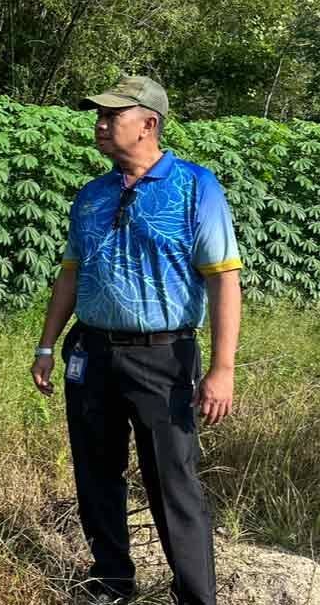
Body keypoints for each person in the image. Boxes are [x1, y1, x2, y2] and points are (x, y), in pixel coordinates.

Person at [30, 77, 241, 605]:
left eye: (111, 115)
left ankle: (195, 595)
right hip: (92, 353)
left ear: (148, 123)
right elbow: (70, 274)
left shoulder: (195, 187)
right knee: (96, 473)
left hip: (163, 356)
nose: (99, 124)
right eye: (98, 115)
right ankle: (111, 580)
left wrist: (222, 368)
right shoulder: (93, 194)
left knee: (173, 483)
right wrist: (47, 345)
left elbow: (222, 278)